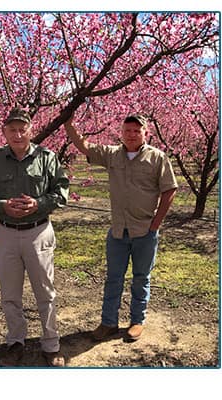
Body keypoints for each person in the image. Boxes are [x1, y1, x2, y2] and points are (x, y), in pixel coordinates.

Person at [64, 112, 177, 342]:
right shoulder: (112, 155)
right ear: (122, 133)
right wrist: (69, 122)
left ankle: (137, 321)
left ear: (146, 133)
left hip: (144, 230)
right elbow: (84, 146)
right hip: (118, 231)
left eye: (137, 130)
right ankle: (108, 323)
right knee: (113, 278)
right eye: (128, 131)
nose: (132, 134)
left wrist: (155, 224)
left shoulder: (158, 158)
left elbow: (169, 190)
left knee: (141, 278)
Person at [0, 107, 69, 367]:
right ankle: (16, 342)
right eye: (12, 129)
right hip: (5, 233)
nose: (17, 134)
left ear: (30, 130)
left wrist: (39, 204)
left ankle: (51, 344)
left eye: (22, 129)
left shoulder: (47, 157)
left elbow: (61, 192)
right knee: (10, 294)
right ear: (4, 132)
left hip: (39, 232)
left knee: (45, 292)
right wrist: (0, 205)